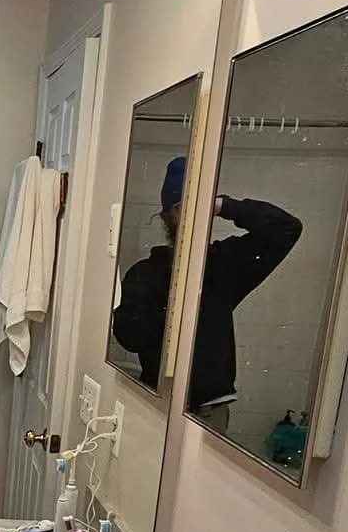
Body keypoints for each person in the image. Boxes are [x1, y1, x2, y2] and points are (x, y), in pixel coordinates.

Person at [111, 154, 301, 428]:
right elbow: (130, 339)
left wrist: (224, 205)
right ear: (166, 216)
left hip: (213, 411)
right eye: (181, 206)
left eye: (197, 205)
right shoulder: (145, 274)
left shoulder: (224, 264)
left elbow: (287, 228)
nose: (190, 214)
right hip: (156, 402)